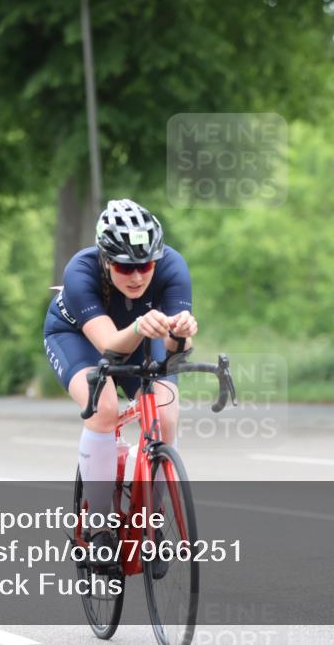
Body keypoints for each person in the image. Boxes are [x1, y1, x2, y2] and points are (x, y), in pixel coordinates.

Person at [43, 199, 197, 557]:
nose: (138, 276)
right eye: (125, 268)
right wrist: (144, 325)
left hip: (140, 333)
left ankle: (152, 519)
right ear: (105, 259)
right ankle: (97, 527)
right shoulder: (80, 271)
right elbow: (111, 347)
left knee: (166, 412)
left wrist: (182, 333)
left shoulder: (173, 266)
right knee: (104, 408)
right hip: (77, 336)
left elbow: (176, 351)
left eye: (145, 265)